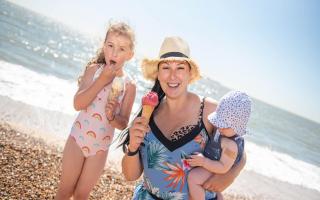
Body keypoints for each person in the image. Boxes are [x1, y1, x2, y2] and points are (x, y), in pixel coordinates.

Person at [120, 36, 246, 200]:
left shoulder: (209, 111)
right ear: (158, 74)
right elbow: (130, 176)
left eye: (180, 68)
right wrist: (133, 148)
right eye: (166, 68)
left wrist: (228, 177)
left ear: (189, 74)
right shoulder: (148, 114)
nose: (172, 76)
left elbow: (240, 151)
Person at [55, 22, 136, 200]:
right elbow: (78, 103)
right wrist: (102, 80)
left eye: (121, 49)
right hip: (78, 138)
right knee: (65, 190)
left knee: (82, 195)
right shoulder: (94, 71)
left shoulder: (129, 86)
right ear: (104, 46)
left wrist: (112, 116)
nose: (114, 53)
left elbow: (122, 124)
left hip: (99, 148)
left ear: (130, 55)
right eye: (110, 46)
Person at [187, 90, 252, 200]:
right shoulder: (222, 130)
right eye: (219, 121)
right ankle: (218, 196)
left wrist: (203, 162)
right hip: (212, 161)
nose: (220, 127)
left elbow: (223, 168)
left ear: (237, 127)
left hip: (216, 168)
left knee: (193, 178)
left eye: (224, 125)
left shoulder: (231, 146)